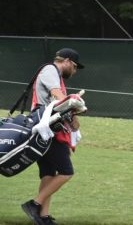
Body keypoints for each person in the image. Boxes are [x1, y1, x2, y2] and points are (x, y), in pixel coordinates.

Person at [21, 48, 85, 225]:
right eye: (74, 66)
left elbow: (58, 99)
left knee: (48, 174)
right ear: (66, 61)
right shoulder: (50, 70)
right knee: (66, 172)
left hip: (46, 130)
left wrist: (73, 114)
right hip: (48, 130)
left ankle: (43, 216)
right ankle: (34, 204)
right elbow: (58, 95)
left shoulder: (55, 74)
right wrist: (75, 111)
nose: (75, 71)